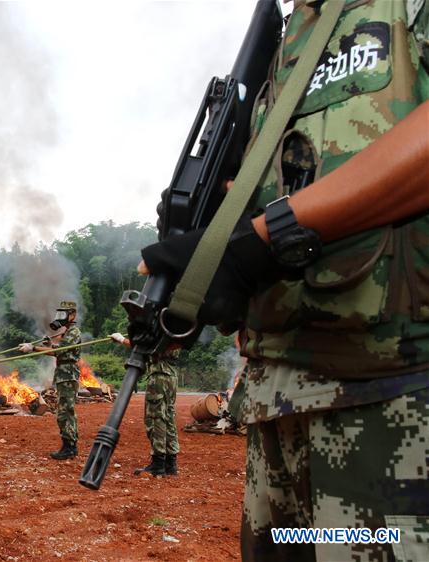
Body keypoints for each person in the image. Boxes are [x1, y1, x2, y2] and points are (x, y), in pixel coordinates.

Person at [138, 2, 429, 560]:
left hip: (396, 403)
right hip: (278, 412)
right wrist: (210, 252)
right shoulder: (291, 36)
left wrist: (261, 243)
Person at [19, 301, 83, 460]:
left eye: (64, 314)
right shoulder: (66, 332)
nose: (60, 317)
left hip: (68, 375)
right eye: (59, 314)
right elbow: (57, 349)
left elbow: (59, 351)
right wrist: (48, 344)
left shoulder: (74, 332)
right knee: (64, 410)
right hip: (63, 374)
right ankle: (69, 446)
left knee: (65, 412)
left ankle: (69, 447)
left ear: (73, 315)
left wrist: (34, 348)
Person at [111, 332, 179, 477]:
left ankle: (158, 463)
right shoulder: (176, 329)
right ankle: (170, 463)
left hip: (159, 376)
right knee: (168, 418)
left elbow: (150, 348)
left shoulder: (164, 327)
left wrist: (122, 340)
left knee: (156, 419)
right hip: (171, 376)